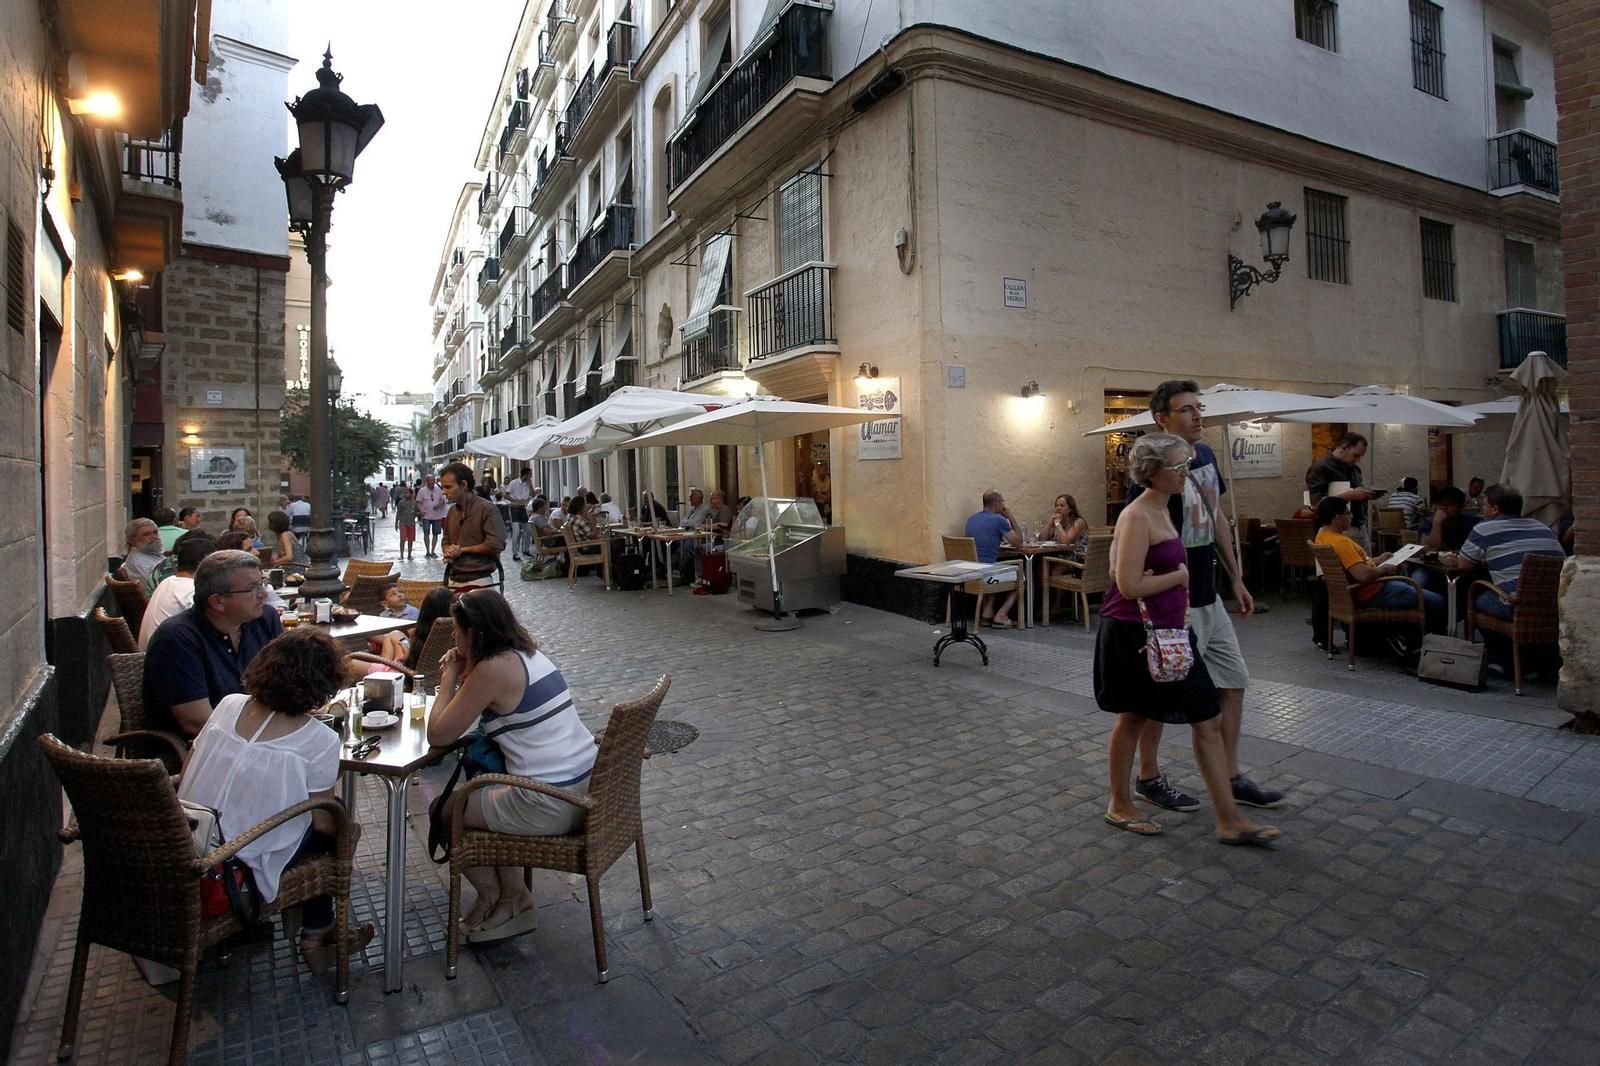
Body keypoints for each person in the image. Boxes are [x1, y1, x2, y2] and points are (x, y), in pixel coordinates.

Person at [1096, 434, 1279, 845]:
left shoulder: (1166, 511)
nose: (1186, 473)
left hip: (1172, 632)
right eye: (1178, 466)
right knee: (1133, 717)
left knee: (1207, 716)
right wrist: (1179, 577)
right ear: (1155, 472)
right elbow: (1125, 584)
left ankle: (1229, 819)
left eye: (1186, 465)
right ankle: (1119, 803)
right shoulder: (1137, 515)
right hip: (1135, 634)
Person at [177, 627, 374, 973]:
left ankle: (319, 928)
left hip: (184, 837)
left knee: (324, 818)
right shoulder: (319, 739)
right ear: (322, 688)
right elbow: (322, 822)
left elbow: (189, 766)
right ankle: (318, 933)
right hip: (232, 863)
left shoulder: (227, 705)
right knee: (336, 820)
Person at [1129, 380, 1281, 814]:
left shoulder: (1208, 456)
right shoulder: (1151, 466)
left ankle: (1231, 775)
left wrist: (1236, 578)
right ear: (1162, 419)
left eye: (1200, 407)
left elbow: (1214, 518)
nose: (1198, 415)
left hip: (1209, 594)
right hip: (1175, 603)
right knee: (1162, 693)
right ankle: (1148, 776)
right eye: (1186, 409)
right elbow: (1140, 534)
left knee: (1233, 682)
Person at [427, 591, 597, 943]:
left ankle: (497, 897)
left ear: (474, 632)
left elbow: (438, 734)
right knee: (484, 793)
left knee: (445, 810)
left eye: (457, 631)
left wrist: (449, 676)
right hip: (586, 788)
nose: (453, 638)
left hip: (551, 802)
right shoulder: (528, 654)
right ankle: (513, 896)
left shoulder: (491, 670)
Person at [143, 549, 285, 737]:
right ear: (218, 601)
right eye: (252, 588)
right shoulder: (176, 638)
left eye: (262, 583)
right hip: (195, 750)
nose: (263, 594)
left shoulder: (265, 619)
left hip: (262, 733)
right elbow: (197, 722)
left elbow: (287, 684)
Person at [1315, 496, 1444, 633]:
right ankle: (1435, 642)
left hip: (1358, 591)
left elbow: (1353, 564)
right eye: (1348, 513)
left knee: (1417, 589)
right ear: (1337, 518)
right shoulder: (1341, 542)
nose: (1351, 516)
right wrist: (1385, 569)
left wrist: (1379, 559)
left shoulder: (1323, 535)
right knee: (1436, 601)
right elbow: (1363, 575)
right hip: (1373, 592)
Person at [1458, 484, 1565, 622]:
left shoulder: (1484, 529)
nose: (1482, 510)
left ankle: (1495, 643)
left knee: (1477, 597)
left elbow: (1464, 564)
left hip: (1516, 607)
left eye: (1484, 506)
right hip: (1553, 606)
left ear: (1495, 509)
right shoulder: (1543, 527)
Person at [139, 536, 217, 649]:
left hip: (151, 655)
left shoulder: (166, 582)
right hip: (166, 659)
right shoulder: (191, 591)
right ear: (205, 563)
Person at [963, 489, 1021, 628]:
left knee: (994, 566)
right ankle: (1001, 615)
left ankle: (987, 613)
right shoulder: (999, 520)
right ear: (996, 503)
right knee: (1021, 575)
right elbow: (1019, 542)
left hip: (969, 573)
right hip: (986, 573)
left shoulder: (971, 519)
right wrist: (1011, 517)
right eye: (1002, 502)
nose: (1003, 505)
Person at [441, 462, 506, 588]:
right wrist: (449, 550)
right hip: (454, 578)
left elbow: (496, 544)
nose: (444, 492)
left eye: (448, 487)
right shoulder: (452, 511)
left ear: (463, 485)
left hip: (479, 579)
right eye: (443, 487)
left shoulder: (487, 509)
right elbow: (446, 540)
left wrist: (462, 550)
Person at [1306, 432, 1379, 535]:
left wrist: (1365, 494)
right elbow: (1316, 504)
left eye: (1360, 457)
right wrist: (1350, 495)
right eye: (1355, 455)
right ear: (1344, 448)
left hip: (1358, 525)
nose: (1357, 460)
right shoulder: (1321, 468)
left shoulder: (1355, 469)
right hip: (1334, 528)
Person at [377, 586, 454, 667]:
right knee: (394, 634)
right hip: (415, 665)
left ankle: (383, 670)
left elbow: (410, 661)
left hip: (405, 669)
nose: (399, 595)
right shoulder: (454, 630)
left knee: (393, 636)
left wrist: (405, 650)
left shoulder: (423, 632)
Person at [1418, 487, 1479, 552]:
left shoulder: (1472, 521)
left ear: (1461, 506)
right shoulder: (1427, 522)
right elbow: (1432, 548)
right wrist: (1437, 522)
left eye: (1450, 504)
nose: (1444, 507)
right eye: (1441, 504)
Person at [120, 518, 166, 584]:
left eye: (155, 533)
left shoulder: (149, 553)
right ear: (132, 540)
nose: (154, 537)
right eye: (147, 534)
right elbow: (156, 585)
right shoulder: (138, 562)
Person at [416, 473, 449, 558]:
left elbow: (443, 499)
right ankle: (427, 551)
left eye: (433, 480)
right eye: (430, 481)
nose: (432, 482)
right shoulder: (422, 491)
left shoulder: (438, 490)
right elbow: (418, 502)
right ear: (427, 481)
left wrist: (438, 505)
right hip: (426, 516)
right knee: (426, 533)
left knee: (436, 533)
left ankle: (433, 551)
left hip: (437, 516)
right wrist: (421, 511)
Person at [267, 510, 309, 575]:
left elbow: (289, 557)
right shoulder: (284, 535)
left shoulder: (285, 535)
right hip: (291, 567)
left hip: (294, 570)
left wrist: (276, 562)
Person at [505, 468, 534, 560]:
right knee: (516, 531)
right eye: (530, 474)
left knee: (528, 530)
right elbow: (506, 495)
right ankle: (515, 553)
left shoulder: (527, 484)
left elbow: (533, 494)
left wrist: (530, 484)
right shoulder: (514, 483)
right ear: (525, 475)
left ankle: (525, 549)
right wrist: (516, 500)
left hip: (522, 508)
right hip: (514, 508)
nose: (531, 476)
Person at [394, 486, 418, 561]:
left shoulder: (415, 502)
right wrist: (396, 522)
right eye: (404, 493)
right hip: (403, 522)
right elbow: (398, 513)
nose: (405, 494)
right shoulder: (401, 503)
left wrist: (417, 514)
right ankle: (401, 555)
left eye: (407, 493)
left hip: (411, 523)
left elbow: (417, 511)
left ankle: (409, 555)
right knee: (403, 539)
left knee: (410, 540)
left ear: (411, 494)